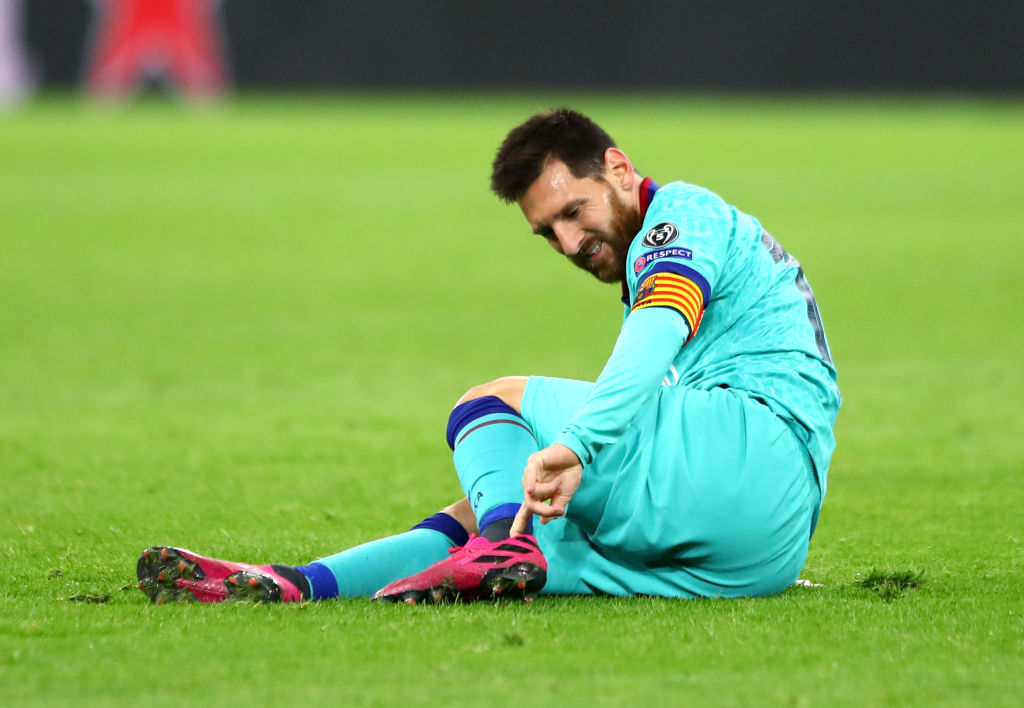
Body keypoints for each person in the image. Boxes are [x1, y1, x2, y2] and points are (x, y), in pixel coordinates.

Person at [137, 108, 840, 605]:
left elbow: (656, 331)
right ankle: (296, 584)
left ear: (620, 169)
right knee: (498, 509)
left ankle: (502, 548)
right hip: (761, 552)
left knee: (491, 404)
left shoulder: (682, 215)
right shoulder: (662, 246)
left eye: (574, 211)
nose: (568, 244)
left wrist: (578, 443)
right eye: (548, 232)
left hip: (753, 450)